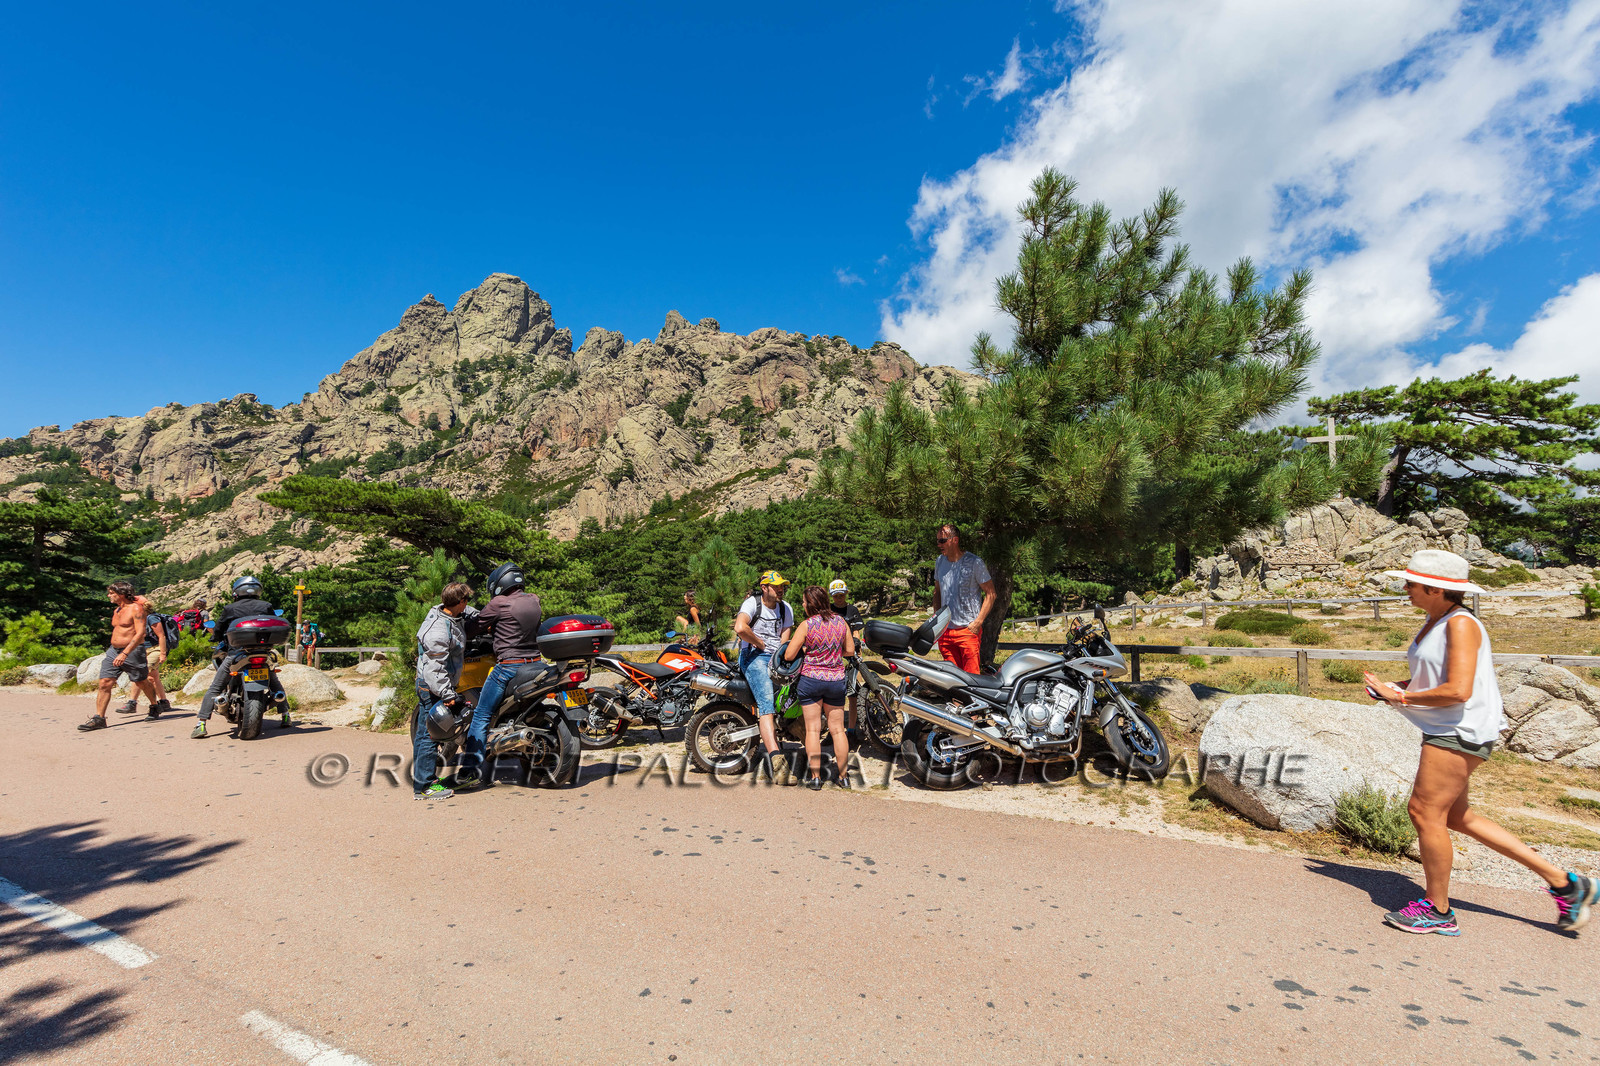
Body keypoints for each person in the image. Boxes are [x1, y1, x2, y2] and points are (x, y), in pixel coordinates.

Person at [1365, 549, 1598, 935]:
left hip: (1459, 729)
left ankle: (1438, 911)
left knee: (1424, 813)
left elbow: (1458, 690)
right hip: (1450, 725)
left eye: (1411, 583)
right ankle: (1567, 884)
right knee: (1455, 817)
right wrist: (1395, 687)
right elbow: (1437, 680)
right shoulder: (1435, 620)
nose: (1405, 588)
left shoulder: (1460, 624)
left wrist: (1401, 698)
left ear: (1435, 589)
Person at [458, 563, 543, 789]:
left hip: (508, 667)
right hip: (536, 664)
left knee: (481, 715)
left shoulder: (499, 603)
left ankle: (470, 770)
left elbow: (473, 628)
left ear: (499, 584)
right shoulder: (534, 599)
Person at [191, 576, 283, 739]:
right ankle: (286, 715)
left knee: (216, 686)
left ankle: (201, 723)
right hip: (262, 652)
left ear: (236, 592)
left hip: (236, 653)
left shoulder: (230, 609)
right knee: (274, 680)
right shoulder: (266, 606)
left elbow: (219, 629)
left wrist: (214, 637)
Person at [785, 585, 855, 790]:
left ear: (811, 604)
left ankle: (815, 778)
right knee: (838, 731)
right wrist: (832, 653)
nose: (803, 605)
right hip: (835, 681)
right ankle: (843, 776)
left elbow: (789, 655)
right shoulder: (841, 622)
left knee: (813, 730)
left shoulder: (807, 625)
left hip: (811, 681)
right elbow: (850, 650)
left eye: (804, 602)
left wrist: (810, 651)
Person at [412, 581, 477, 801]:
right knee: (431, 735)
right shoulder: (438, 630)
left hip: (437, 683)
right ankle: (424, 786)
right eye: (465, 601)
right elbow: (434, 670)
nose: (467, 605)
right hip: (431, 686)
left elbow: (471, 613)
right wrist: (448, 694)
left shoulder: (452, 613)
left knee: (426, 733)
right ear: (459, 602)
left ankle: (423, 782)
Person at [78, 581, 164, 731]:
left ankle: (154, 706)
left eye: (112, 593)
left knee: (141, 681)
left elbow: (140, 634)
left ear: (122, 594)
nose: (108, 595)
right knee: (105, 682)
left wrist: (125, 653)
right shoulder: (117, 610)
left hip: (133, 651)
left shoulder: (136, 609)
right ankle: (99, 718)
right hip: (113, 651)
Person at [734, 571, 794, 775]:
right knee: (766, 703)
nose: (781, 589)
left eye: (782, 586)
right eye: (776, 586)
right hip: (753, 655)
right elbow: (740, 627)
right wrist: (761, 644)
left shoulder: (786, 609)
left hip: (777, 658)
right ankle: (776, 759)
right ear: (764, 587)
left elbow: (785, 642)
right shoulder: (752, 603)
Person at [931, 523, 995, 674]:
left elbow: (991, 594)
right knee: (952, 679)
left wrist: (977, 622)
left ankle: (972, 699)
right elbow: (937, 592)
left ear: (955, 540)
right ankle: (955, 699)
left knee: (971, 678)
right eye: (938, 541)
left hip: (967, 630)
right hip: (946, 632)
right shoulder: (939, 561)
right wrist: (937, 620)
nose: (939, 544)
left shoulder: (974, 562)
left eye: (942, 541)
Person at [113, 596, 173, 718]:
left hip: (155, 648)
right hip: (142, 649)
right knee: (154, 676)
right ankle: (164, 702)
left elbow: (161, 636)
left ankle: (132, 703)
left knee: (142, 674)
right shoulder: (138, 617)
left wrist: (162, 653)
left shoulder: (152, 618)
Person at [830, 579, 864, 734]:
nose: (839, 598)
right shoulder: (828, 610)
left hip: (849, 654)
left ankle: (851, 728)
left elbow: (856, 630)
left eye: (841, 594)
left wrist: (858, 649)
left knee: (852, 692)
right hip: (832, 655)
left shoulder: (852, 610)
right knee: (833, 694)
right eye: (836, 595)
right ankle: (833, 730)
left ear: (846, 593)